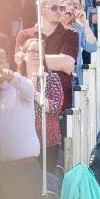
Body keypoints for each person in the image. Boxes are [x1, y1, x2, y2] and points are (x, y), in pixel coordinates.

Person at [14, 0, 79, 124]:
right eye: (54, 8)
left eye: (61, 7)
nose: (59, 11)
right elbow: (20, 62)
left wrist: (31, 58)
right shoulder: (24, 35)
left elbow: (67, 64)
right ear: (42, 11)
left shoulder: (71, 34)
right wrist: (57, 61)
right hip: (27, 108)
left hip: (60, 109)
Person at [0, 48, 40, 180]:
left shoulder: (19, 89)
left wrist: (12, 77)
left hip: (24, 171)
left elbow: (30, 90)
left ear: (7, 65)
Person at [18, 38, 64, 181]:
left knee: (46, 180)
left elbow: (54, 107)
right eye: (32, 51)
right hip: (21, 139)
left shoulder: (52, 79)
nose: (36, 54)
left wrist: (34, 92)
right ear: (24, 54)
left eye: (40, 52)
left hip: (47, 139)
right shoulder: (16, 80)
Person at [59, 0, 97, 89]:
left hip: (73, 79)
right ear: (61, 3)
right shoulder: (51, 23)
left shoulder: (78, 28)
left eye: (76, 7)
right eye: (69, 3)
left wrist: (84, 23)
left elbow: (92, 47)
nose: (72, 8)